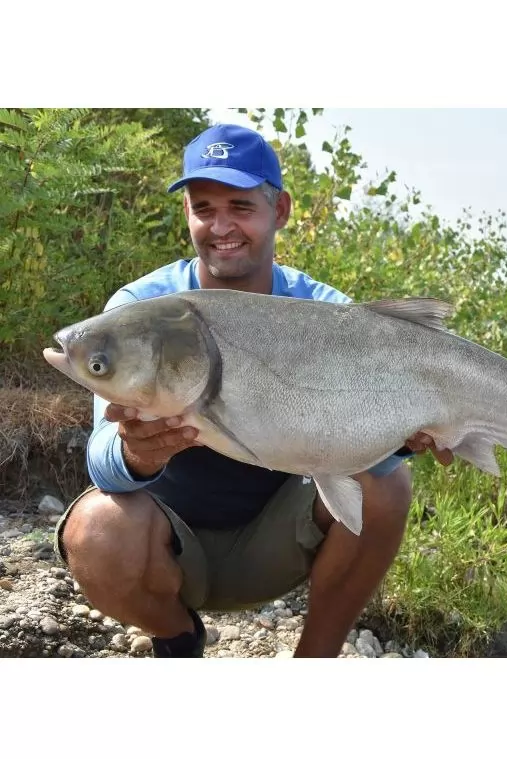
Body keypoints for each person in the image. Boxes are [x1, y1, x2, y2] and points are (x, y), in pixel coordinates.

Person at [53, 123, 453, 658]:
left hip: (277, 545)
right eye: (203, 208)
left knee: (390, 483)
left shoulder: (325, 312)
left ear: (280, 210)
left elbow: (368, 447)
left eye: (240, 207)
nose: (220, 226)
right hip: (170, 546)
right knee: (96, 527)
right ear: (188, 214)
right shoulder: (140, 311)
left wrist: (404, 436)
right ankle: (177, 637)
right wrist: (133, 453)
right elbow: (101, 464)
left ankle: (314, 660)